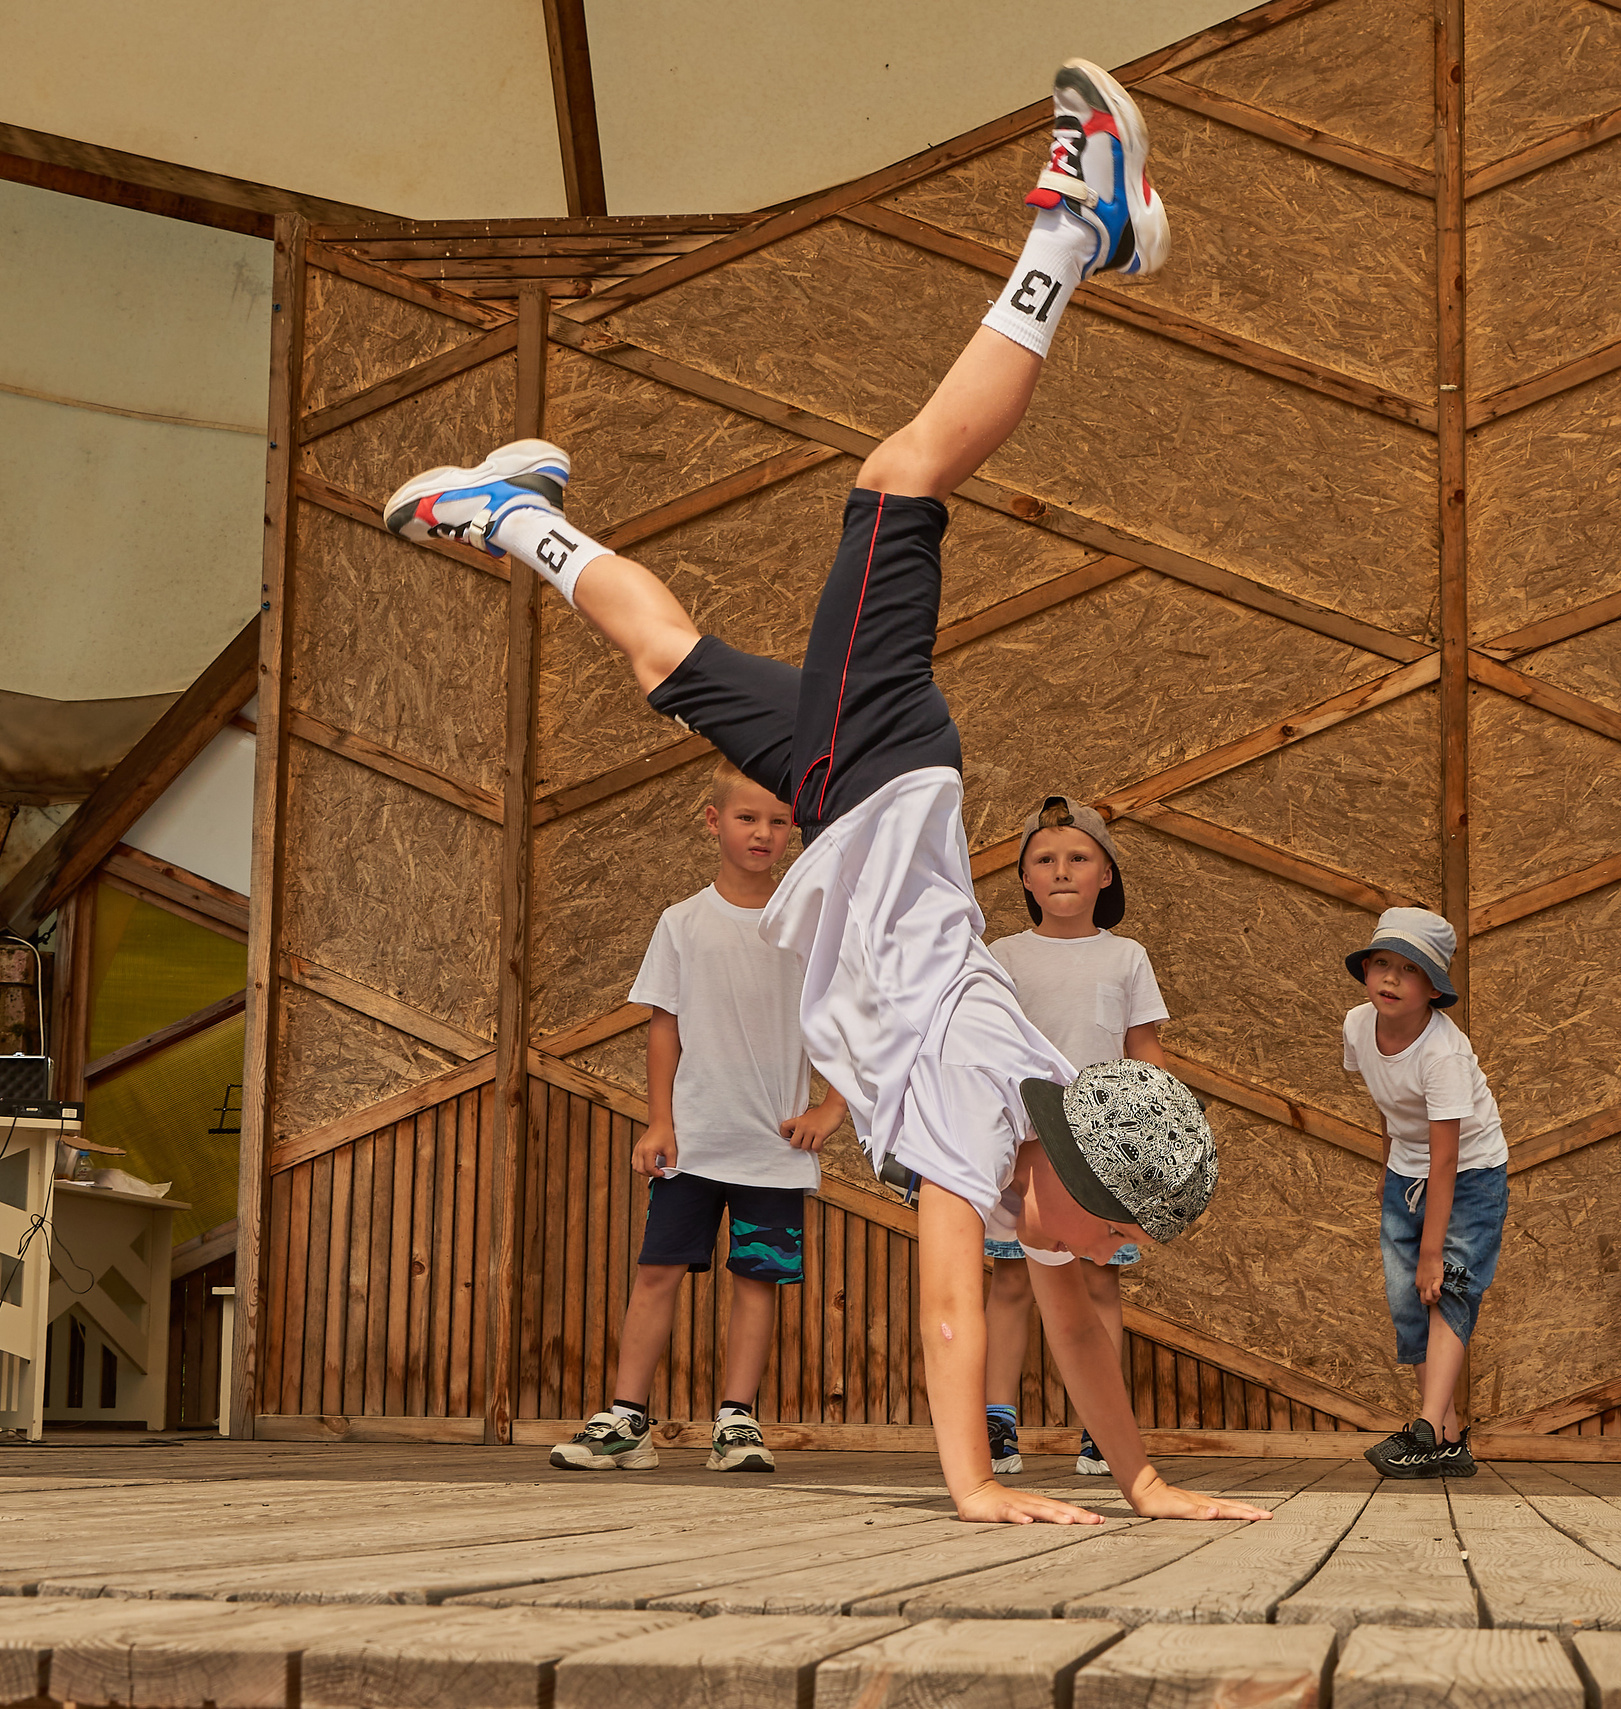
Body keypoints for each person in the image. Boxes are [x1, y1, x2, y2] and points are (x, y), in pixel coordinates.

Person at [384, 58, 1265, 1527]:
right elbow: (945, 1312)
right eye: (1112, 1232)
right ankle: (1076, 230)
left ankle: (516, 514)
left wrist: (1148, 1477)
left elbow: (1076, 1323)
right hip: (880, 782)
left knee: (667, 659)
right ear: (1059, 1172)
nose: (1113, 1259)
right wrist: (975, 1485)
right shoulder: (984, 1130)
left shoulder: (1050, 1191)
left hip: (846, 790)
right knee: (899, 478)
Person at [550, 763, 845, 1474]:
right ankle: (625, 1419)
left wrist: (831, 1106)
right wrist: (660, 1122)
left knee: (757, 1280)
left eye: (779, 821)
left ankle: (737, 1421)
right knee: (656, 1272)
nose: (764, 832)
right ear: (714, 823)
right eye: (748, 818)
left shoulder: (811, 925)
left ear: (793, 832)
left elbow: (839, 1023)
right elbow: (663, 1027)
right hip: (693, 1141)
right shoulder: (681, 922)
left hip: (773, 1148)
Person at [981, 796, 1169, 1477]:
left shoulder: (1126, 957)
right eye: (1045, 858)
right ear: (1025, 879)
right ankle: (996, 1422)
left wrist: (1150, 1144)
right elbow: (983, 1048)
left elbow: (1144, 1050)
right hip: (1023, 1149)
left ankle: (1100, 1423)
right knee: (1009, 1281)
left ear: (1107, 875)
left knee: (1097, 1282)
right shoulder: (1001, 955)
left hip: (1099, 1156)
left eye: (1079, 857)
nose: (1062, 870)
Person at [1341, 908, 1509, 1478]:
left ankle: (1423, 1426)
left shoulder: (1444, 1054)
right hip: (1409, 1174)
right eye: (1381, 963)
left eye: (1409, 970)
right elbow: (1388, 1105)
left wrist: (1432, 1252)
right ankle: (1449, 1440)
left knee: (1448, 1290)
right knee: (1410, 1304)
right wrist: (1389, 1169)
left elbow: (1448, 1156)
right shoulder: (1357, 1026)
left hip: (1470, 1175)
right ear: (1365, 969)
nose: (1390, 979)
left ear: (1433, 988)